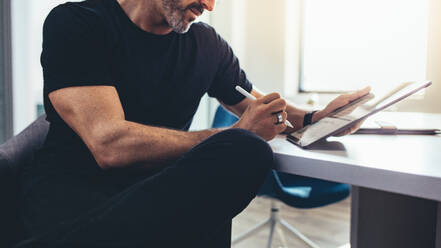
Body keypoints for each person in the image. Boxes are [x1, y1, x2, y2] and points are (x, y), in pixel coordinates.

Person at [17, 0, 370, 247]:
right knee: (242, 149)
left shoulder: (207, 45)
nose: (210, 5)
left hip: (159, 193)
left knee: (242, 155)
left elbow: (264, 107)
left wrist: (318, 118)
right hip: (76, 200)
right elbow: (110, 145)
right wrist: (236, 135)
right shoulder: (78, 23)